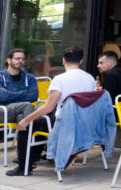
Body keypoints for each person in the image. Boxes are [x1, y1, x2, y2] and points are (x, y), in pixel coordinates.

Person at [12, 46, 96, 176]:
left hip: (64, 124)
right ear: (81, 61)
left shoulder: (60, 79)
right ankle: (33, 158)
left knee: (26, 126)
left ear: (63, 61)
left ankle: (23, 167)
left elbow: (49, 107)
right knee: (41, 121)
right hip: (83, 124)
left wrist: (26, 119)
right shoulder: (90, 79)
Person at [0, 49, 39, 143]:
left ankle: (23, 156)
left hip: (19, 111)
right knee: (28, 106)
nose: (20, 61)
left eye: (23, 59)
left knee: (22, 118)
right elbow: (2, 97)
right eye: (17, 58)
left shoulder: (30, 78)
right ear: (9, 60)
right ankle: (36, 139)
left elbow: (33, 96)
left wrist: (8, 94)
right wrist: (24, 93)